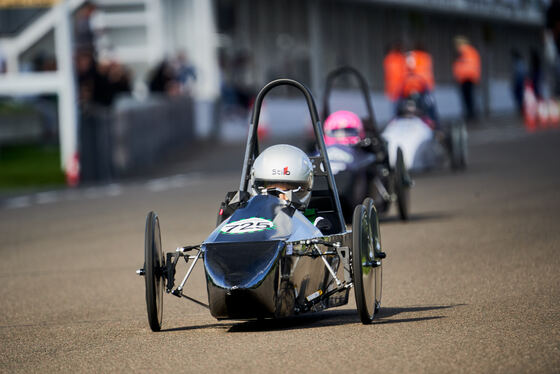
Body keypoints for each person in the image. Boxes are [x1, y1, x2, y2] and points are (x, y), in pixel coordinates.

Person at [251, 144, 332, 232]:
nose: (282, 198)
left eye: (290, 190)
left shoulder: (314, 224)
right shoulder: (243, 218)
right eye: (273, 191)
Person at [453, 36, 481, 122]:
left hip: (466, 78)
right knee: (470, 98)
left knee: (467, 98)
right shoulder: (472, 51)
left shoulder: (464, 52)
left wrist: (458, 75)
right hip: (469, 78)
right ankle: (471, 114)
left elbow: (462, 65)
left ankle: (470, 115)